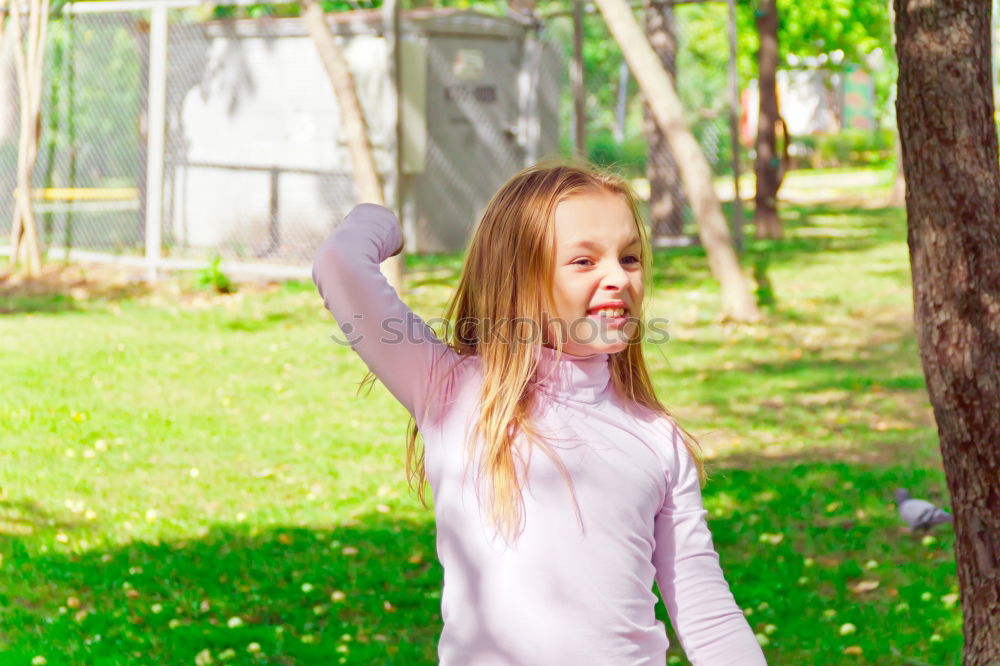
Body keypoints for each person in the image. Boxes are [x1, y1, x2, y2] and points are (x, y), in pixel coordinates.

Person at [312, 162, 767, 665]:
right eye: (583, 262)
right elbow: (339, 263)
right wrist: (383, 221)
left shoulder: (657, 440)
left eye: (630, 258)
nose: (618, 277)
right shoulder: (453, 392)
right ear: (518, 276)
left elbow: (707, 612)